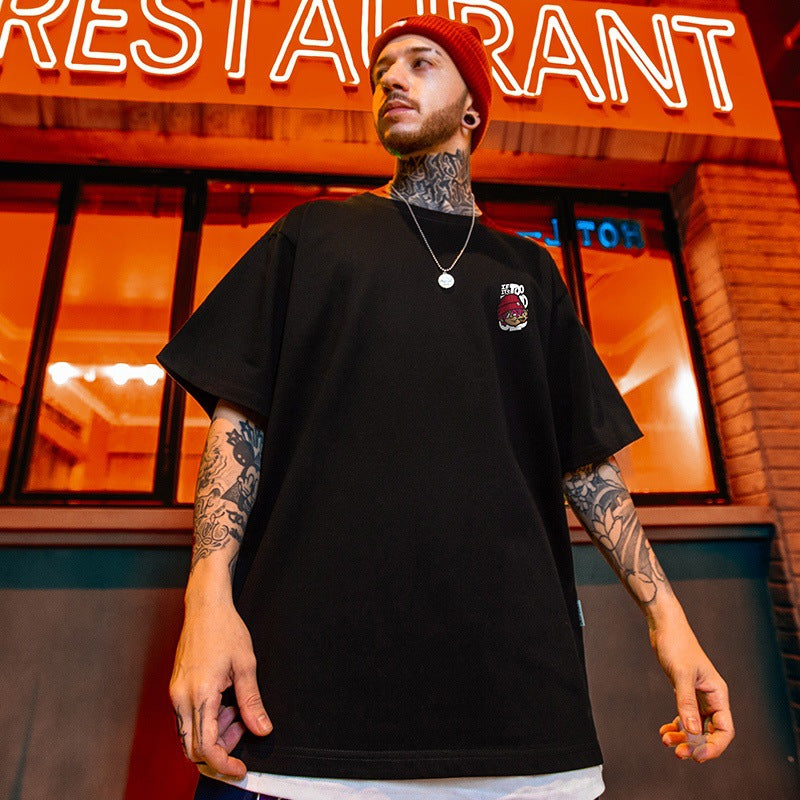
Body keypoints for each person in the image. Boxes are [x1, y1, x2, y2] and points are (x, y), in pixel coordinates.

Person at [157, 14, 734, 800]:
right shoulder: (313, 236)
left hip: (521, 724)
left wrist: (670, 621)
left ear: (472, 108)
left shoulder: (530, 270)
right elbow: (239, 426)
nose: (391, 79)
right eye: (380, 72)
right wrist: (206, 598)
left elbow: (587, 468)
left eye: (420, 62)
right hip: (299, 721)